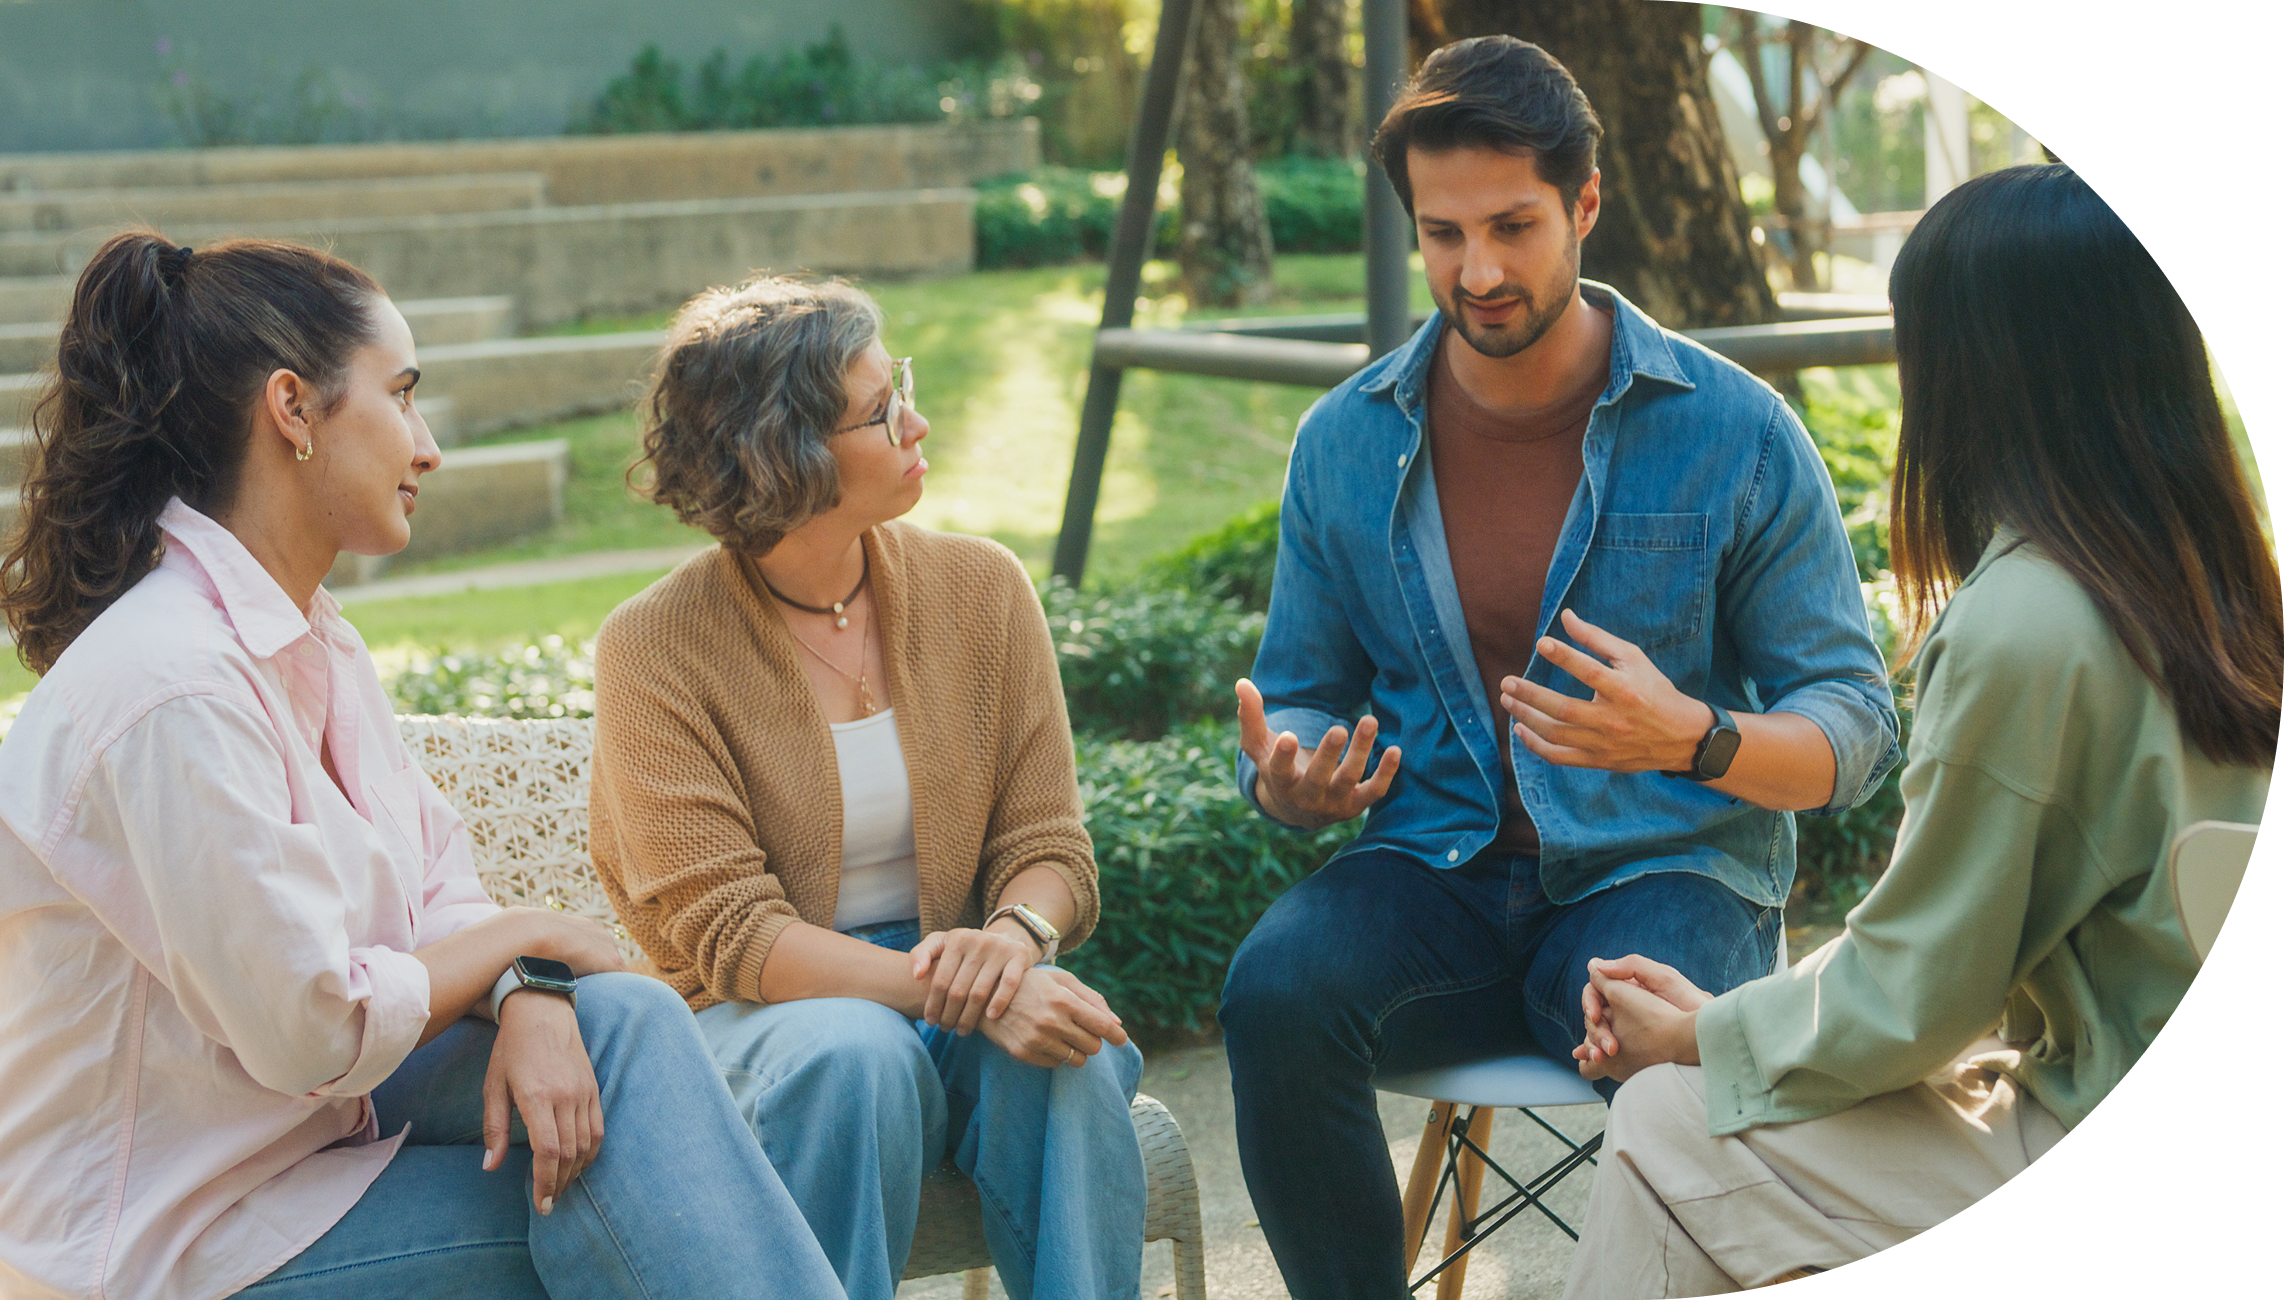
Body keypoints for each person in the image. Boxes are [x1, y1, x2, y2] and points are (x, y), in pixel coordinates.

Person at [0, 232, 846, 1300]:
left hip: (297, 1144)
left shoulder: (309, 640)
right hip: (165, 1243)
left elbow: (435, 878)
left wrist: (528, 984)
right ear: (293, 409)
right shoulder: (175, 687)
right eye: (401, 396)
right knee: (639, 1204)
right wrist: (533, 935)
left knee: (623, 1026)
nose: (429, 446)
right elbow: (312, 1029)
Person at [1217, 36, 1901, 1298]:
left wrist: (1693, 737)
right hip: (1432, 872)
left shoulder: (1735, 430)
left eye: (1512, 227)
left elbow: (1856, 726)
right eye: (1442, 234)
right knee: (1274, 993)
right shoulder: (1344, 441)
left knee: (1674, 1051)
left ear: (1585, 203)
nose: (1476, 272)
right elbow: (1299, 691)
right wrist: (1290, 776)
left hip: (1665, 869)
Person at [1558, 162, 2284, 1297]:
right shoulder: (2236, 571)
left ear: (1971, 373)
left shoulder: (2026, 626)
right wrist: (1737, 1020)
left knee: (1665, 1122)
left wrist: (1701, 1039)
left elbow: (1920, 997)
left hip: (2142, 1158)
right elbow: (1940, 953)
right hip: (2244, 1128)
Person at [586, 273, 1148, 1300]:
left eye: (904, 390)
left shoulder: (982, 588)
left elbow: (1049, 845)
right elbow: (734, 938)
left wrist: (1012, 943)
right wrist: (964, 991)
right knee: (857, 1057)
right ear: (786, 453)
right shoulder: (653, 648)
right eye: (882, 409)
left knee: (1063, 1051)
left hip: (955, 979)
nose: (917, 423)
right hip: (760, 1017)